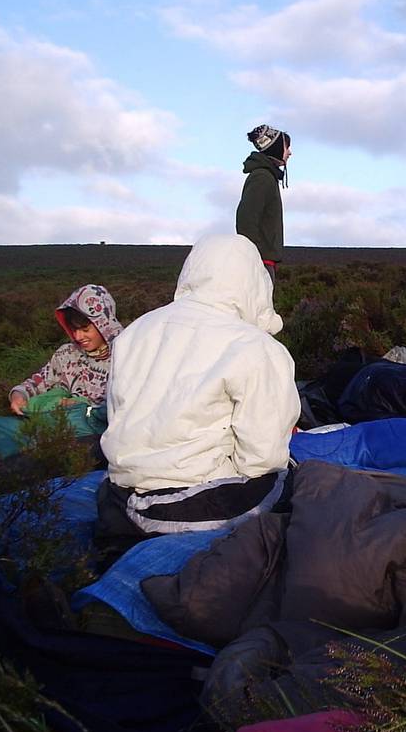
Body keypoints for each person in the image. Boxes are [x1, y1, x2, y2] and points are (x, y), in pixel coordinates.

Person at [98, 234, 300, 549]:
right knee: (288, 476)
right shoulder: (255, 347)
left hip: (118, 495)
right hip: (188, 504)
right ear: (254, 284)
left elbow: (116, 412)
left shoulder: (135, 331)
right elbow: (262, 459)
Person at [9, 284, 123, 415]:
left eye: (85, 329)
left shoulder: (125, 354)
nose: (78, 336)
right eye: (74, 329)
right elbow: (39, 381)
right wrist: (18, 395)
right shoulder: (67, 355)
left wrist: (82, 405)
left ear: (104, 323)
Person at [236, 124, 292, 282]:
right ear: (275, 148)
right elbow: (246, 220)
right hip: (259, 263)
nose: (289, 153)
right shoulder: (262, 177)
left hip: (264, 261)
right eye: (286, 147)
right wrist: (254, 258)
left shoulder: (266, 176)